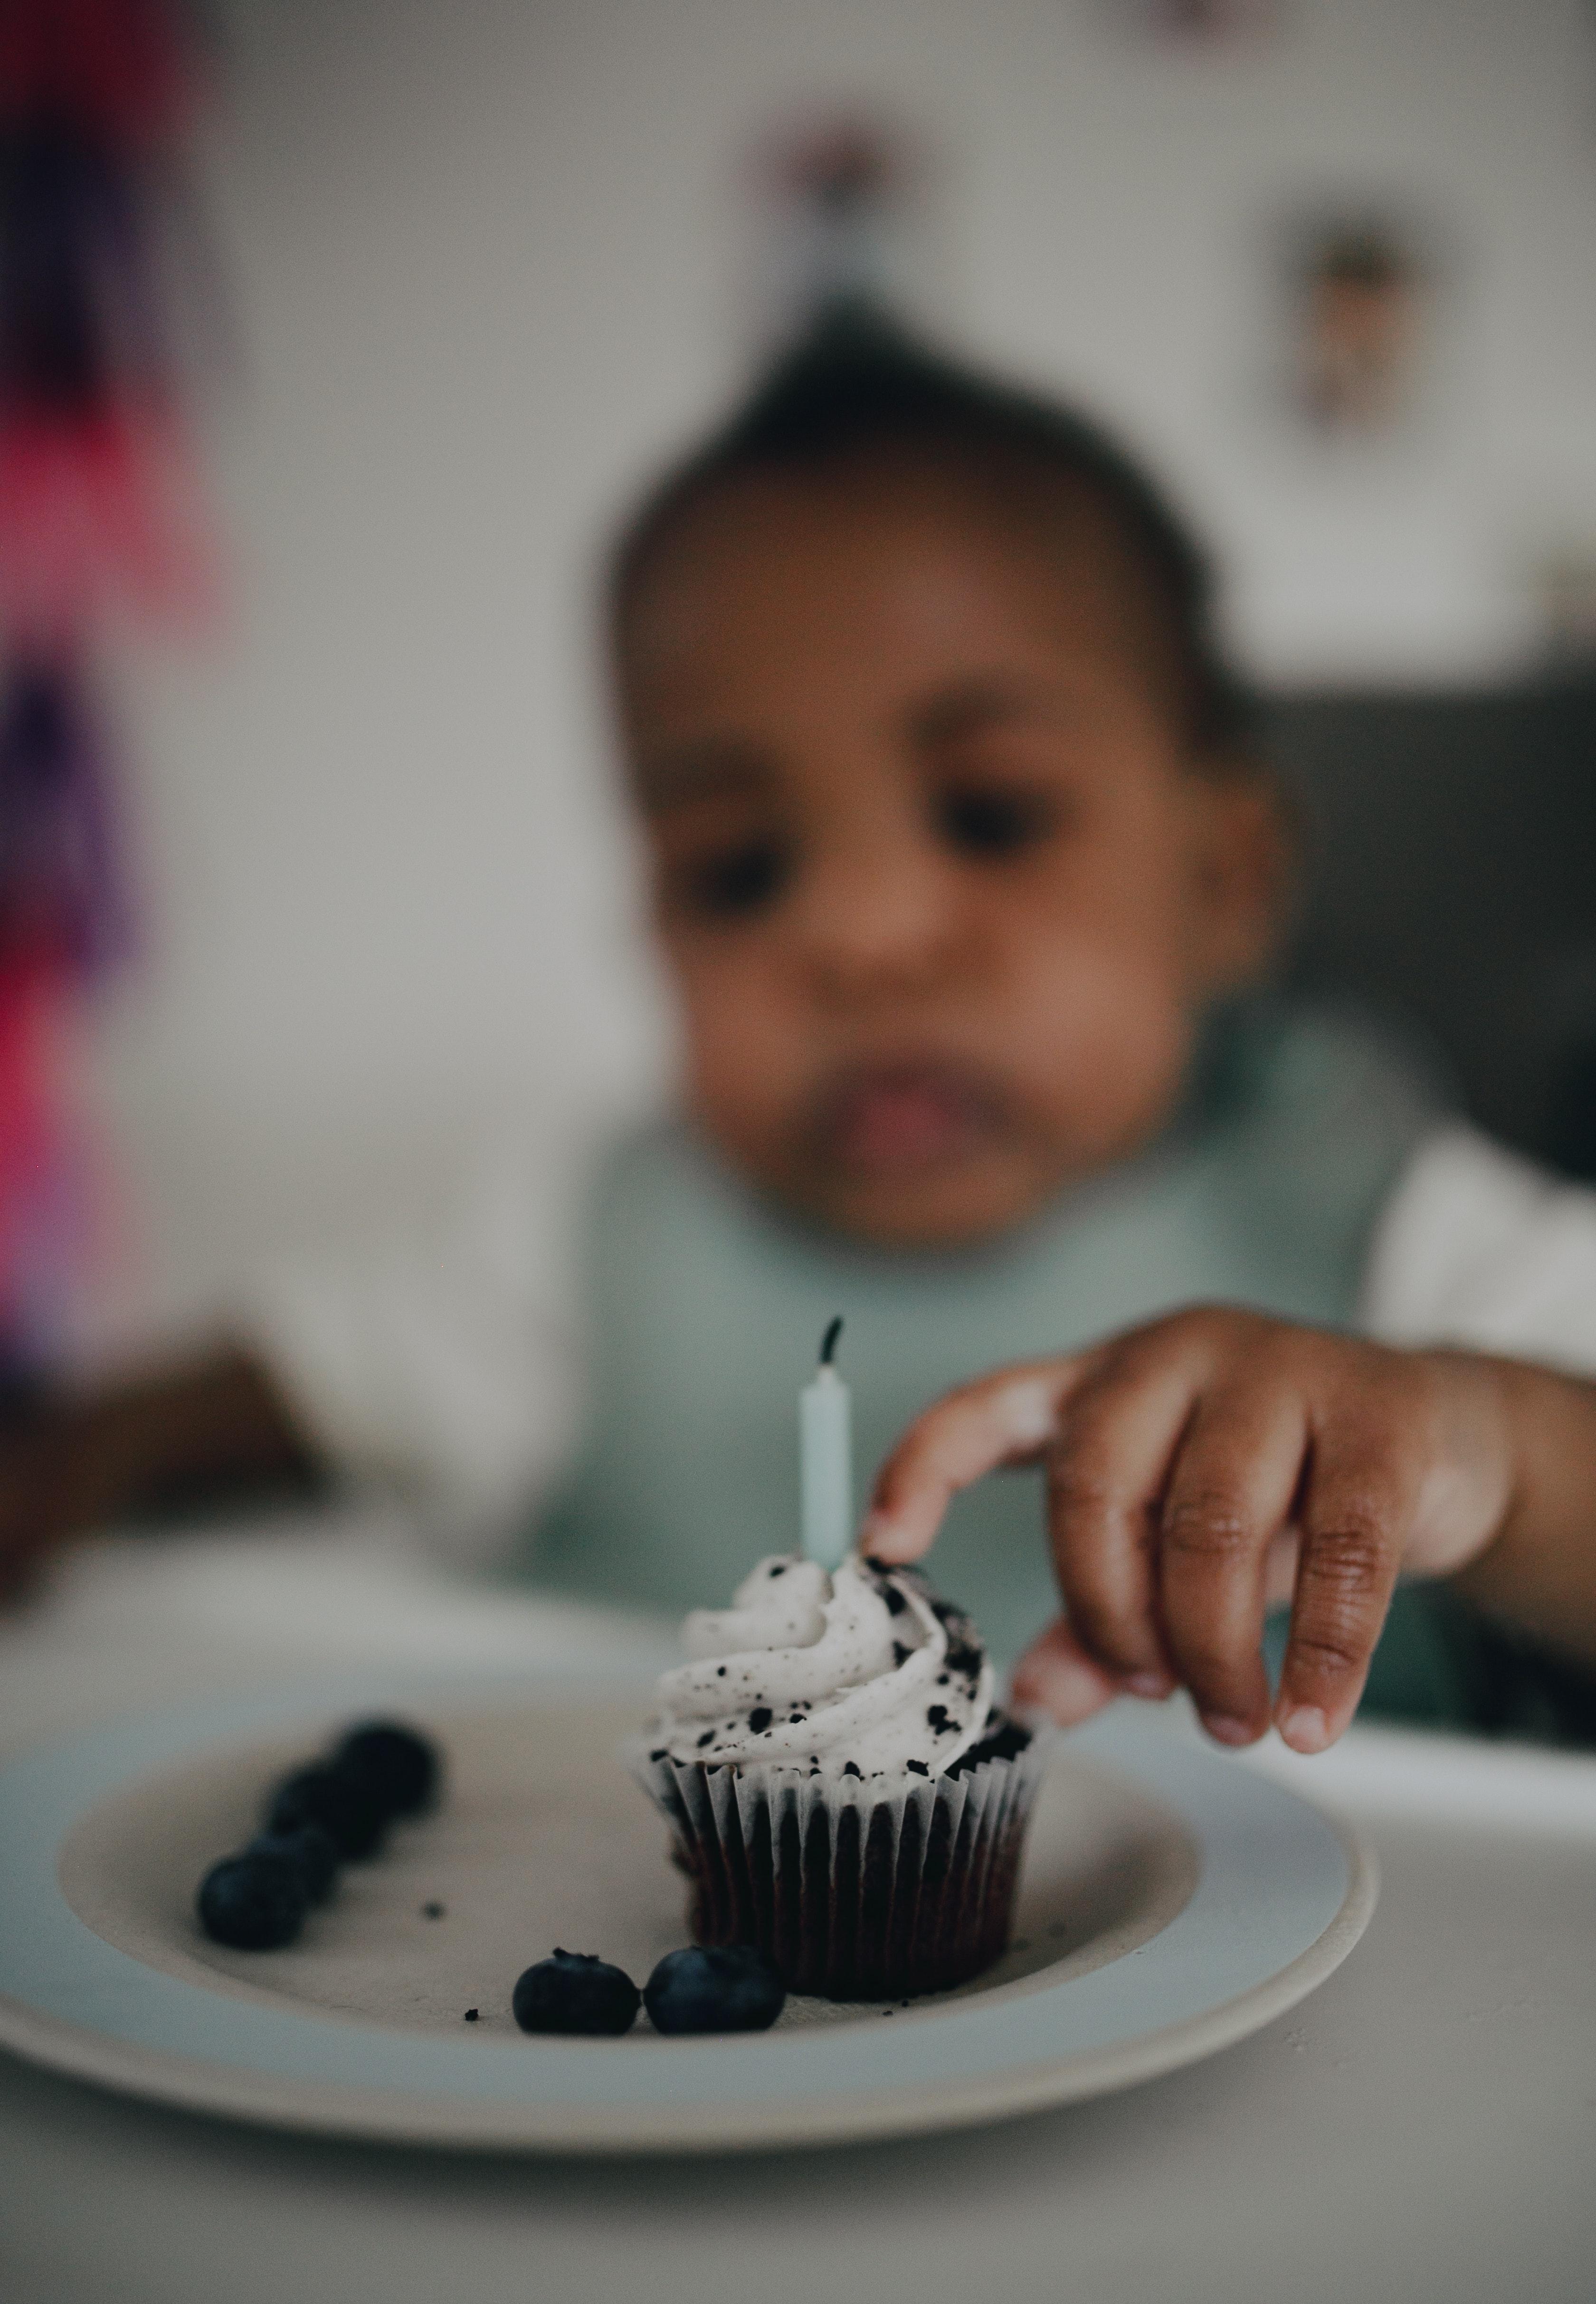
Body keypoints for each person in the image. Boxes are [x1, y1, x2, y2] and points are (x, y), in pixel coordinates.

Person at [6, 304, 1596, 1751]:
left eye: (990, 816)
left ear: (1225, 879)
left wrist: (1485, 1454)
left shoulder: (1393, 1228)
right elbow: (257, 1398)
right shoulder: (579, 1240)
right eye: (739, 869)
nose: (859, 936)